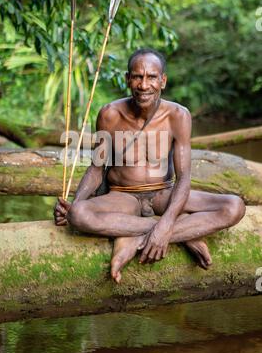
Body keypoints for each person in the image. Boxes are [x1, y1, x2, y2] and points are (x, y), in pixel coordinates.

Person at [54, 48, 246, 283]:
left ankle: (136, 236)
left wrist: (166, 225)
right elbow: (96, 169)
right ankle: (182, 232)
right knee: (80, 215)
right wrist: (74, 204)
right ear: (128, 79)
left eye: (151, 77)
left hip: (163, 194)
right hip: (122, 197)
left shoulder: (178, 115)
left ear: (162, 80)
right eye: (137, 76)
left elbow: (184, 178)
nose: (144, 85)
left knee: (234, 207)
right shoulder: (109, 115)